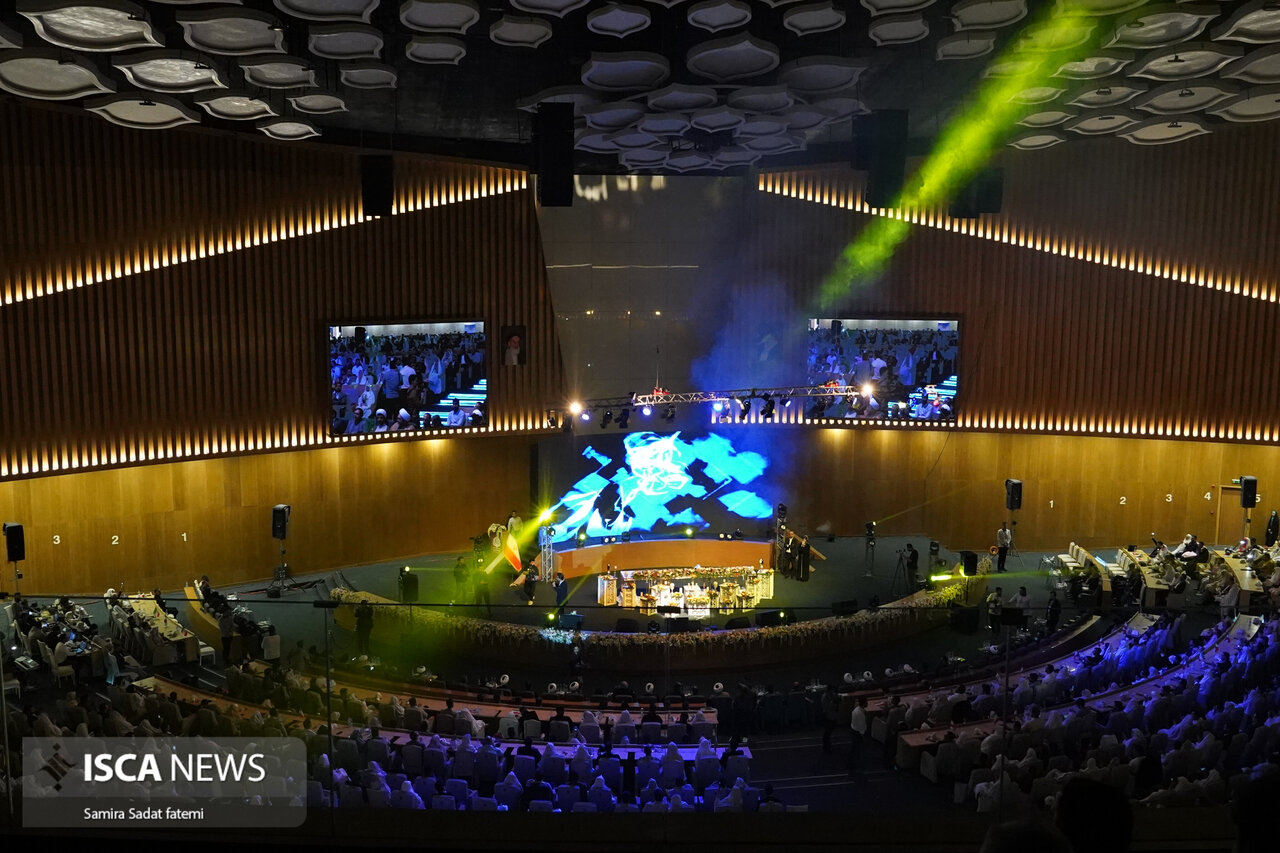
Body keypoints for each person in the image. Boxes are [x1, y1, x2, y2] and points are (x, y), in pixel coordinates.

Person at [848, 696, 867, 779]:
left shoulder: (856, 710)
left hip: (854, 731)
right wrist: (863, 736)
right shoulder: (860, 713)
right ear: (864, 703)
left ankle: (852, 764)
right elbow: (861, 726)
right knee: (858, 750)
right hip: (858, 733)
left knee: (854, 749)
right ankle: (855, 766)